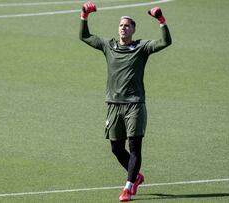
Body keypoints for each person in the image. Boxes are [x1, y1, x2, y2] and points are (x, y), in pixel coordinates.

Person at [79, 1, 172, 202]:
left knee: (135, 147)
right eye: (121, 25)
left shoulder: (142, 47)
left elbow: (165, 42)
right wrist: (84, 15)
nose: (123, 27)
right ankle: (136, 177)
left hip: (135, 105)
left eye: (127, 25)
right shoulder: (108, 46)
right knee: (116, 148)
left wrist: (161, 20)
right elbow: (84, 36)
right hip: (113, 104)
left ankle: (128, 187)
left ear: (133, 29)